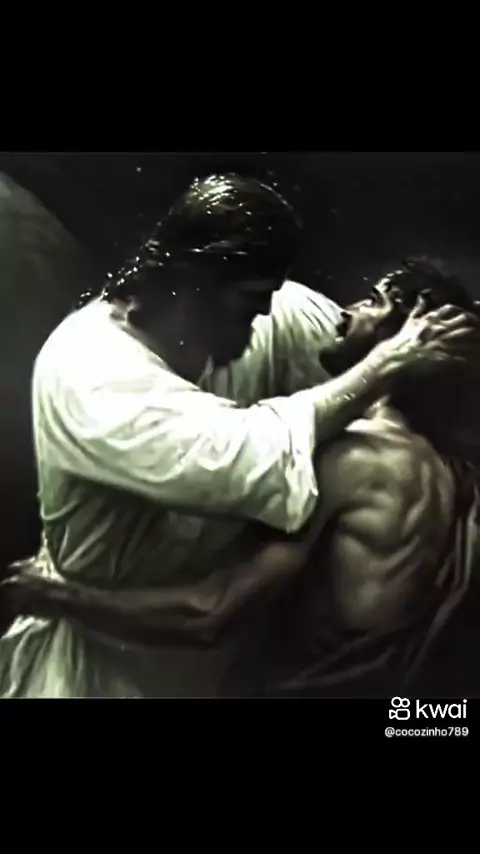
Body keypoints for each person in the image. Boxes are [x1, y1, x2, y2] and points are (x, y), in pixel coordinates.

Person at [1, 174, 478, 698]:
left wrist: (56, 598)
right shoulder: (91, 371)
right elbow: (242, 448)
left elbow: (211, 614)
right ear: (197, 285)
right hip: (109, 675)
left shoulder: (348, 459)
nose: (347, 311)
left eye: (373, 302)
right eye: (253, 300)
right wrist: (388, 362)